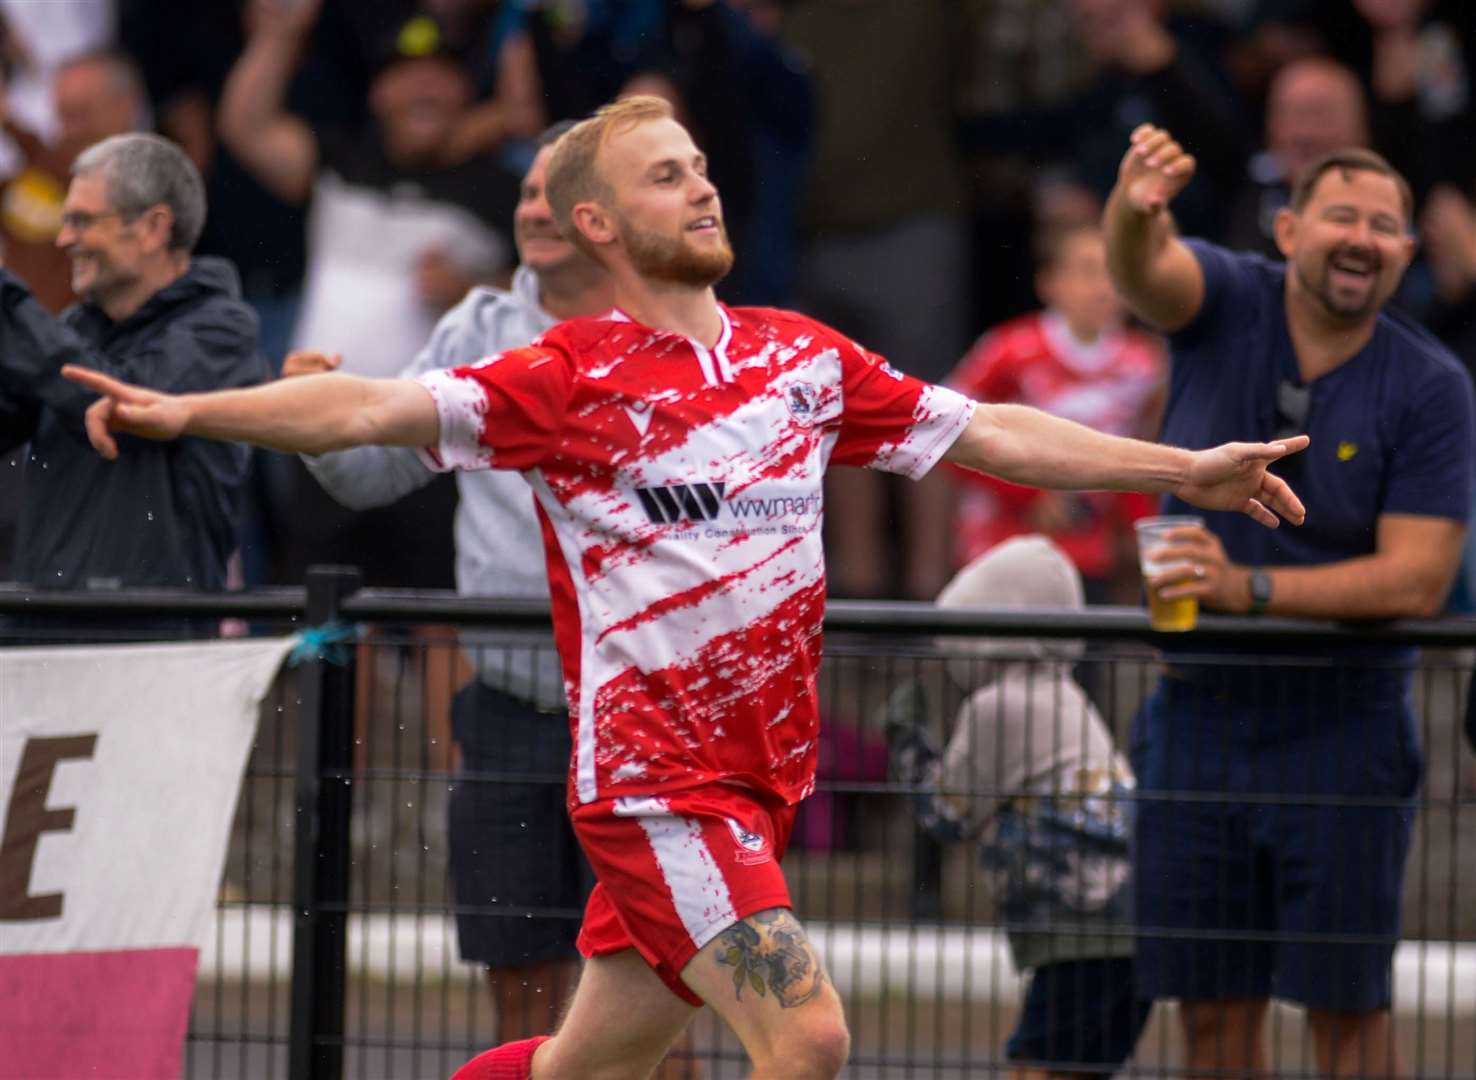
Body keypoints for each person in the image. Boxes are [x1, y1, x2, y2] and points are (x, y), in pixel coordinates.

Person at [62, 97, 1309, 1080]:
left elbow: (992, 433)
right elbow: (365, 406)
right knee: (808, 1039)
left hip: (761, 779)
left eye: (702, 167)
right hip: (659, 786)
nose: (701, 185)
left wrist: (1186, 467)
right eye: (666, 174)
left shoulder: (801, 357)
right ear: (595, 223)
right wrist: (192, 408)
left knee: (579, 1067)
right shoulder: (564, 373)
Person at [1103, 125, 1475, 1079]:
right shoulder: (1231, 296)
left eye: (1385, 225)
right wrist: (1131, 211)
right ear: (1288, 228)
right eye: (1341, 215)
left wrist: (1244, 588)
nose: (1362, 238)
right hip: (1196, 711)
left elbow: (1417, 579)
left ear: (1407, 252)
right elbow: (1148, 275)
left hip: (1344, 726)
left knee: (1348, 1016)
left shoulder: (1433, 385)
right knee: (1213, 1019)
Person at [219, 0, 530, 591]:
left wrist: (470, 286)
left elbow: (554, 294)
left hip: (437, 439)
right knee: (330, 620)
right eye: (406, 76)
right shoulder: (341, 163)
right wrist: (280, 36)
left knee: (437, 622)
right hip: (327, 433)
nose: (425, 88)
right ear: (377, 94)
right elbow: (246, 126)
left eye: (441, 75)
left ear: (465, 93)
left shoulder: (503, 190)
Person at [884, 534, 1150, 1080]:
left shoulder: (998, 707)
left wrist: (907, 740)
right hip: (1134, 924)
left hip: (1079, 930)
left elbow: (949, 815)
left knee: (1032, 1066)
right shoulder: (1066, 694)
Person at [0, 131, 265, 595]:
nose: (63, 240)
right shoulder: (71, 333)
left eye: (82, 221)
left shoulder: (223, 330)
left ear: (153, 228)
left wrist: (6, 296)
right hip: (42, 627)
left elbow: (123, 399)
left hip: (153, 639)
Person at [946, 222, 1165, 601]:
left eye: (1115, 272)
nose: (1104, 288)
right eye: (1088, 271)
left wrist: (1143, 532)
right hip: (1003, 545)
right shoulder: (1008, 351)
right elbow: (944, 433)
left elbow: (1136, 453)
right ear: (1049, 283)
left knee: (1085, 655)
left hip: (1092, 555)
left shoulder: (1143, 364)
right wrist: (1030, 495)